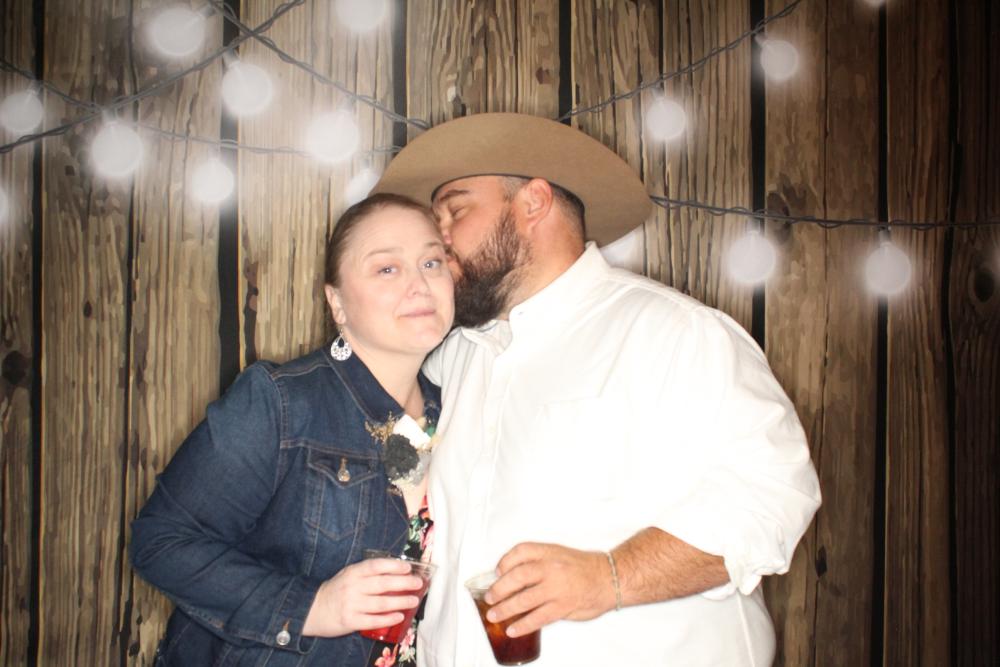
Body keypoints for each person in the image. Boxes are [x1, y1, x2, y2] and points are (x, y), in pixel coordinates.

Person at [372, 112, 822, 665]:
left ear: (533, 202)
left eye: (455, 211)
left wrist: (609, 577)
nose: (438, 240)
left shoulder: (676, 333)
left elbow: (772, 494)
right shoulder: (451, 357)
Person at [129, 193, 455, 666]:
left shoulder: (455, 409)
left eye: (431, 262)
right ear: (336, 302)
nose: (420, 285)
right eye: (387, 268)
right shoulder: (282, 401)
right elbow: (161, 543)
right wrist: (313, 607)